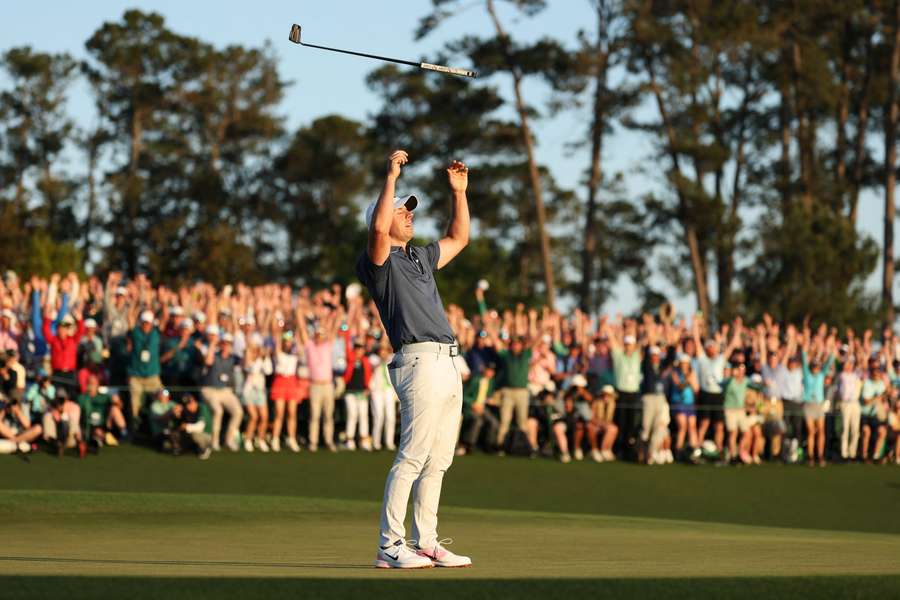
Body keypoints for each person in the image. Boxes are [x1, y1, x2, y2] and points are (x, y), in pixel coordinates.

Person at [357, 149, 472, 569]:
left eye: (409, 210)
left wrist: (459, 193)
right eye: (400, 210)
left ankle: (426, 542)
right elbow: (376, 229)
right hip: (418, 361)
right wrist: (390, 175)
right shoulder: (378, 263)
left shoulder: (419, 256)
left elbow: (459, 239)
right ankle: (390, 545)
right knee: (413, 455)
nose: (408, 214)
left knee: (438, 460)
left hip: (448, 361)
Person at [199, 329, 243, 451]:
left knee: (238, 412)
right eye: (224, 343)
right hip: (210, 390)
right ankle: (214, 441)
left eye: (228, 344)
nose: (226, 346)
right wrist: (213, 343)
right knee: (218, 411)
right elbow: (208, 361)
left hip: (225, 391)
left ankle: (229, 439)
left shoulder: (233, 358)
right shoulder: (214, 355)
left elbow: (246, 361)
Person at [127, 310, 162, 428]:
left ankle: (157, 426)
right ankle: (135, 426)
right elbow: (130, 318)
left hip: (152, 376)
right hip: (136, 376)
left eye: (148, 323)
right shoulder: (135, 332)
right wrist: (133, 305)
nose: (146, 325)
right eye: (144, 322)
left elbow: (165, 317)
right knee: (134, 403)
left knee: (161, 398)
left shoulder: (156, 333)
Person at [270, 327, 302, 453]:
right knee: (279, 413)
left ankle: (292, 438)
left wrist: (297, 328)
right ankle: (275, 439)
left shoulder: (294, 354)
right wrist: (279, 330)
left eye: (289, 341)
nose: (288, 343)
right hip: (280, 382)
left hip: (291, 382)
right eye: (286, 341)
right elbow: (277, 341)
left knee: (292, 413)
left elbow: (299, 340)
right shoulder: (279, 353)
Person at [77, 373, 127, 449]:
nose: (91, 385)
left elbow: (120, 406)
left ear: (98, 385)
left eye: (93, 383)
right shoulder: (82, 397)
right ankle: (101, 439)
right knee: (96, 434)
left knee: (115, 409)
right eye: (90, 383)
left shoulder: (104, 396)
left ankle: (123, 434)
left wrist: (117, 401)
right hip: (87, 425)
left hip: (103, 424)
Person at [241, 335, 272, 452]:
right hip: (249, 391)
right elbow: (251, 368)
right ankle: (248, 439)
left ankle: (261, 439)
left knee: (264, 417)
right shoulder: (248, 358)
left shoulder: (262, 359)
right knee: (254, 417)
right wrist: (260, 357)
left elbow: (268, 371)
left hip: (260, 391)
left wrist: (266, 357)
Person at [342, 337, 373, 451]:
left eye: (361, 348)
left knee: (363, 415)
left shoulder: (366, 361)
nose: (359, 350)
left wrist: (368, 388)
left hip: (362, 392)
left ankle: (364, 439)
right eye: (357, 348)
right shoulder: (349, 360)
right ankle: (349, 439)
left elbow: (368, 376)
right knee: (352, 414)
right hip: (350, 392)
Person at [369, 344, 398, 451]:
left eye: (385, 350)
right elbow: (374, 365)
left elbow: (393, 359)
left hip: (388, 391)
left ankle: (389, 442)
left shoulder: (391, 358)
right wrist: (382, 360)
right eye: (382, 351)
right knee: (379, 416)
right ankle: (376, 443)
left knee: (390, 417)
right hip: (377, 391)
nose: (383, 353)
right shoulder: (373, 359)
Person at [171, 394, 213, 460]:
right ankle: (186, 448)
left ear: (194, 401)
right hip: (195, 434)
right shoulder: (185, 411)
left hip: (207, 436)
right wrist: (176, 415)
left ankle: (204, 448)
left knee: (194, 434)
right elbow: (177, 425)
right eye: (186, 405)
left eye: (190, 403)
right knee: (175, 433)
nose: (188, 406)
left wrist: (186, 426)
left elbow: (200, 427)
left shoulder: (202, 408)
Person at [837, 357, 863, 461]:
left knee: (855, 429)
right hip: (845, 403)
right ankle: (844, 453)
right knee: (845, 429)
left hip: (855, 403)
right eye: (846, 364)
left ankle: (852, 453)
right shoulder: (841, 375)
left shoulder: (856, 375)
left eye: (850, 364)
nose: (848, 365)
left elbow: (862, 366)